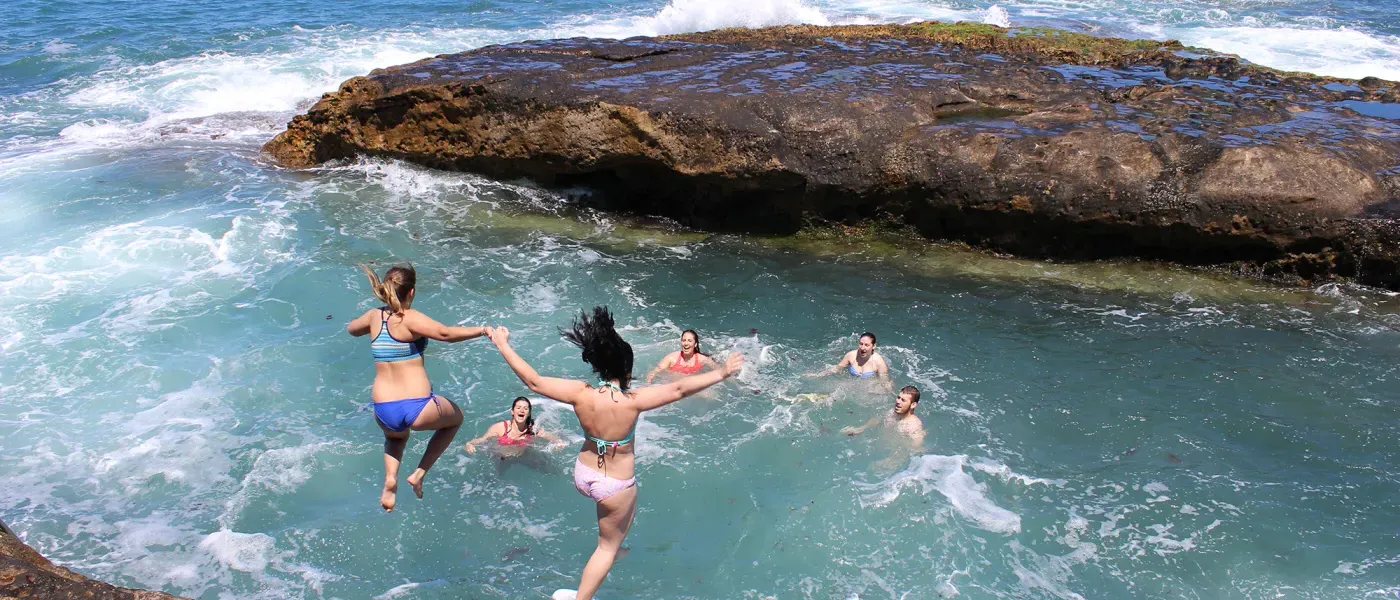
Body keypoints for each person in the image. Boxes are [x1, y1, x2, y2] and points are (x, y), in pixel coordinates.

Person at [485, 307, 742, 600]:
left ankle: (613, 546)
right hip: (614, 484)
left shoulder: (580, 393)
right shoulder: (632, 401)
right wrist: (722, 372)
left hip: (584, 473)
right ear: (627, 371)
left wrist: (503, 344)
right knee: (606, 546)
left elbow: (533, 381)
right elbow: (680, 389)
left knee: (619, 524)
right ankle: (588, 588)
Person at [345, 264, 486, 512]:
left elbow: (351, 329)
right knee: (455, 419)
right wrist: (482, 330)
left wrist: (369, 322)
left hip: (383, 410)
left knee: (395, 437)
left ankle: (390, 479)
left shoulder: (373, 316)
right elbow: (444, 333)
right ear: (411, 292)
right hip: (418, 406)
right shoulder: (409, 318)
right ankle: (419, 473)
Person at [463, 396, 565, 456]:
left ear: (529, 413)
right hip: (500, 457)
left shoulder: (532, 429)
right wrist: (469, 443)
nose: (521, 410)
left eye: (525, 408)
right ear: (512, 411)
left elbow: (551, 436)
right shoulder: (499, 428)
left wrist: (559, 443)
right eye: (518, 408)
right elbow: (482, 440)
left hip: (522, 457)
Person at [841, 385, 925, 446]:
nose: (898, 402)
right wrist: (861, 428)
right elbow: (878, 419)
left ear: (913, 405)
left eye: (903, 400)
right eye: (898, 397)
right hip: (877, 443)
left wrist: (892, 460)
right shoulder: (892, 412)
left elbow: (914, 447)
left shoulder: (913, 426)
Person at [806, 332, 892, 391]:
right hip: (851, 385)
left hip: (869, 387)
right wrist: (818, 375)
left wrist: (890, 393)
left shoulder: (878, 362)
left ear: (873, 346)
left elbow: (885, 381)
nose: (862, 348)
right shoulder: (851, 355)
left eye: (866, 345)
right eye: (861, 344)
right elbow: (837, 368)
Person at [644, 329, 719, 384]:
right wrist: (648, 384)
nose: (686, 343)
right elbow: (654, 372)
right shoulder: (671, 358)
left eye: (689, 341)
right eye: (684, 340)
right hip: (672, 385)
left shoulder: (702, 359)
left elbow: (720, 371)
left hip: (692, 385)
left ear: (695, 344)